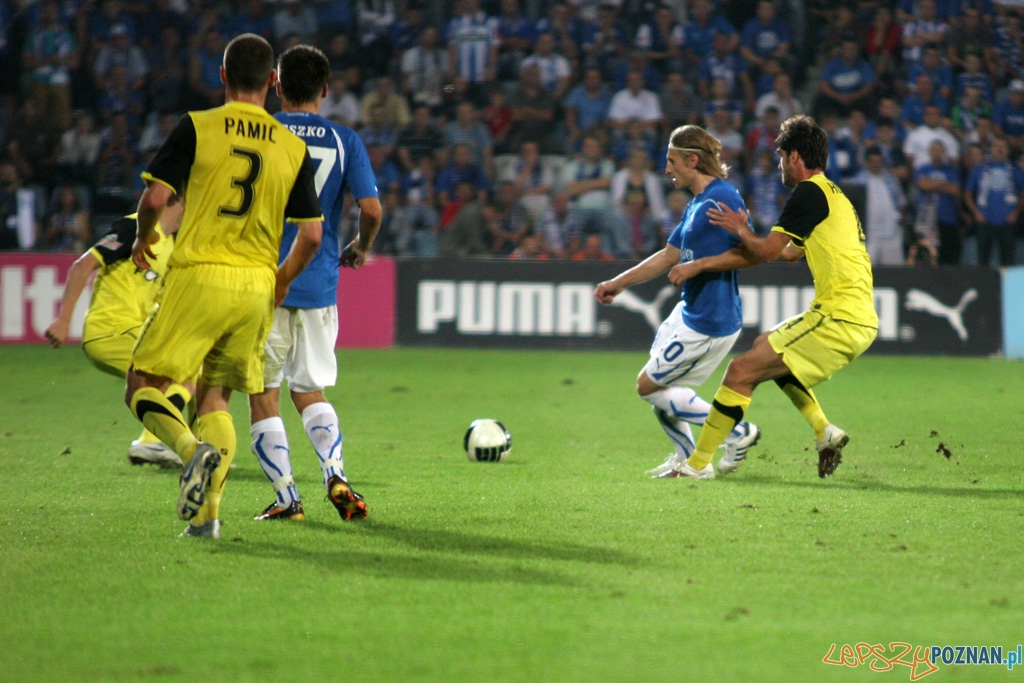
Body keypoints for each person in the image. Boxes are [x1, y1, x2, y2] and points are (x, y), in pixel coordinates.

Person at [123, 33, 324, 539]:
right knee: (215, 397)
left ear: (222, 76)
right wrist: (280, 280)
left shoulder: (198, 126)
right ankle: (208, 519)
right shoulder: (292, 146)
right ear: (273, 81)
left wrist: (144, 238)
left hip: (201, 274)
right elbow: (313, 234)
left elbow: (154, 200)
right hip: (257, 283)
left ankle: (191, 452)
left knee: (142, 384)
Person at [695, 115, 877, 480]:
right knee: (770, 349)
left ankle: (695, 465)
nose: (779, 165)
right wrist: (721, 258)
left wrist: (738, 228)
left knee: (740, 370)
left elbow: (766, 251)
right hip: (854, 316)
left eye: (780, 156)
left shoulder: (808, 192)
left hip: (838, 317)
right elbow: (789, 252)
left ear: (795, 156)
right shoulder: (833, 195)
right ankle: (824, 430)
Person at [249, 44, 382, 523]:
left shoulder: (259, 132)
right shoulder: (346, 140)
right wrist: (362, 248)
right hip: (320, 283)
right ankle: (334, 471)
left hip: (264, 283)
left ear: (277, 85)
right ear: (325, 90)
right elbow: (371, 210)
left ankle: (288, 499)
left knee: (263, 392)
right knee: (310, 391)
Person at [594, 124, 761, 479]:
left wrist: (698, 265)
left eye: (671, 161)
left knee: (647, 386)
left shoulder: (723, 198)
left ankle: (737, 432)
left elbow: (751, 255)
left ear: (693, 160)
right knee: (661, 387)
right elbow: (669, 254)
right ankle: (689, 461)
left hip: (709, 320)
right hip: (690, 311)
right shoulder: (698, 203)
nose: (666, 169)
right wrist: (619, 282)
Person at [44, 198, 189, 470]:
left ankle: (194, 447)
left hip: (136, 333)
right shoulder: (134, 228)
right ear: (180, 201)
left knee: (192, 370)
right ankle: (155, 443)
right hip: (110, 331)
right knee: (183, 371)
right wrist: (63, 320)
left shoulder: (173, 246)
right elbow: (82, 266)